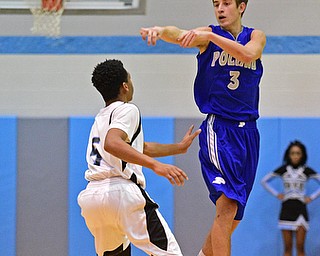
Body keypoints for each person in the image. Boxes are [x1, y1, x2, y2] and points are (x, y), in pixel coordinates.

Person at [140, 1, 266, 255]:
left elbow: (249, 54)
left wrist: (209, 36)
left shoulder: (255, 35)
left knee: (234, 216)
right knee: (227, 206)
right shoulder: (207, 35)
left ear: (241, 7)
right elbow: (178, 35)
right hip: (220, 129)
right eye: (216, 4)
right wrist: (161, 29)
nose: (220, 8)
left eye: (226, 3)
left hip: (249, 133)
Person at [77, 59, 201, 256]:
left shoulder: (101, 117)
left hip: (93, 199)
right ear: (125, 86)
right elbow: (113, 143)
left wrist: (178, 148)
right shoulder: (128, 109)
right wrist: (156, 166)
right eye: (130, 79)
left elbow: (137, 148)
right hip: (121, 194)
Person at [261, 140, 320, 256]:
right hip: (286, 209)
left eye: (298, 153)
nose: (295, 156)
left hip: (301, 208)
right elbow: (264, 181)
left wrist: (311, 197)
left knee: (300, 247)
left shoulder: (306, 170)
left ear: (302, 155)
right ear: (288, 155)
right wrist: (277, 194)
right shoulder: (283, 170)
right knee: (287, 248)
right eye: (292, 153)